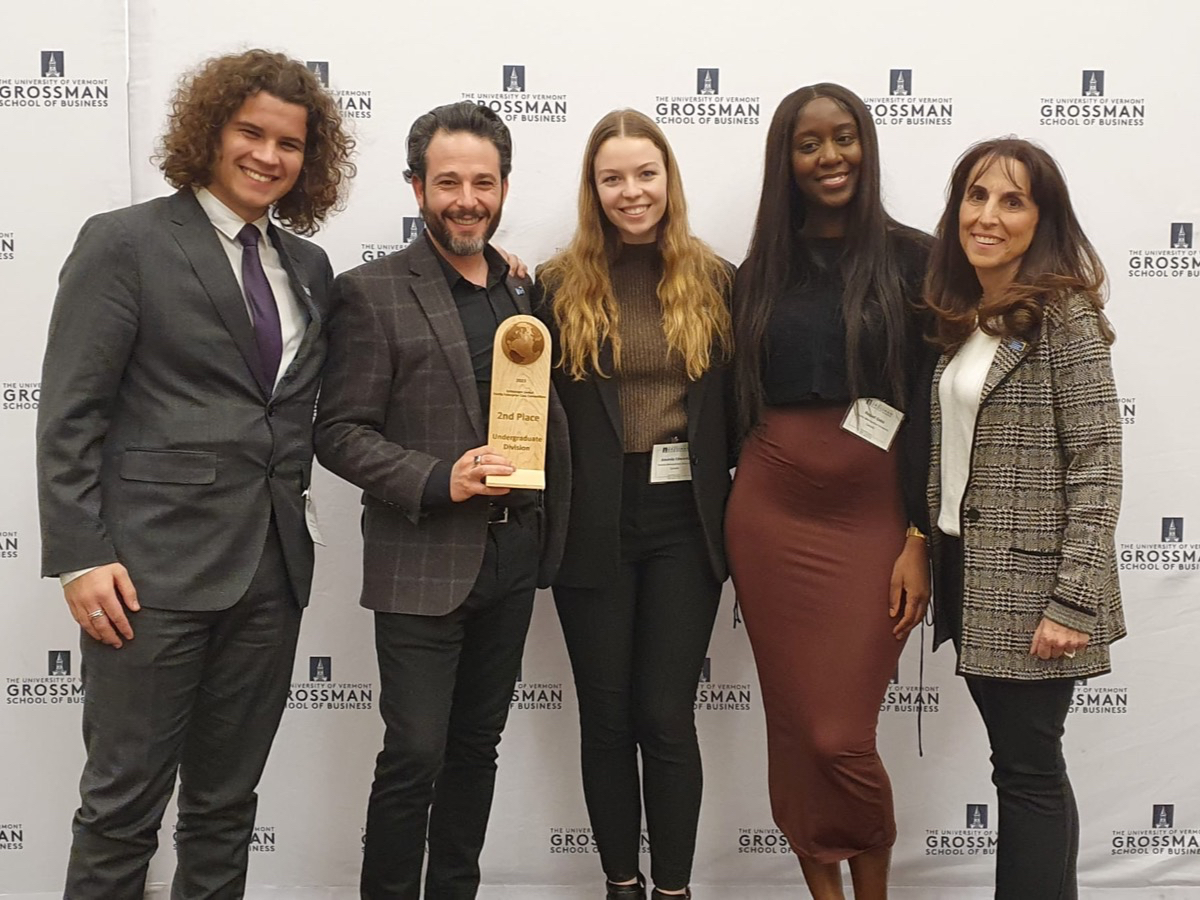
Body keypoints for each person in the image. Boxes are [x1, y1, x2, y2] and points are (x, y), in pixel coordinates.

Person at [35, 49, 354, 898]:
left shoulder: (308, 268)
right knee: (121, 811)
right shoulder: (125, 242)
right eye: (251, 132)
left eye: (289, 143)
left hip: (271, 575)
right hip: (147, 578)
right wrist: (79, 554)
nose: (268, 156)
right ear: (210, 132)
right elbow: (70, 412)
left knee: (224, 809)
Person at [313, 100, 570, 900]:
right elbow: (339, 432)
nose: (467, 199)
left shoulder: (523, 291)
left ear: (504, 187)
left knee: (475, 751)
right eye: (449, 182)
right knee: (414, 754)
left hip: (513, 553)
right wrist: (438, 478)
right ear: (417, 187)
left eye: (483, 183)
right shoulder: (371, 292)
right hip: (421, 557)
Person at [724, 83, 932, 900]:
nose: (830, 156)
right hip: (769, 520)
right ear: (787, 161)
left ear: (866, 144)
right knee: (794, 728)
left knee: (839, 734)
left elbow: (941, 407)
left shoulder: (916, 261)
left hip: (875, 522)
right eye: (808, 144)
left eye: (843, 137)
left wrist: (919, 537)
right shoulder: (758, 272)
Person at [535, 109, 733, 900]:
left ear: (668, 179)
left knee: (666, 715)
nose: (631, 192)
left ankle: (674, 890)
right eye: (612, 178)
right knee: (607, 717)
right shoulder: (554, 285)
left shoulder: (715, 280)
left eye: (645, 174)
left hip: (686, 521)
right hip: (593, 520)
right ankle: (621, 884)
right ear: (593, 189)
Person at [924, 137, 1124, 900]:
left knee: (1027, 772)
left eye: (1013, 201)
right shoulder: (972, 317)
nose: (988, 215)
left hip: (1037, 590)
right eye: (977, 196)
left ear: (1042, 220)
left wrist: (1072, 601)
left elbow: (1097, 464)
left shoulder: (1064, 314)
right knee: (1027, 768)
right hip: (973, 575)